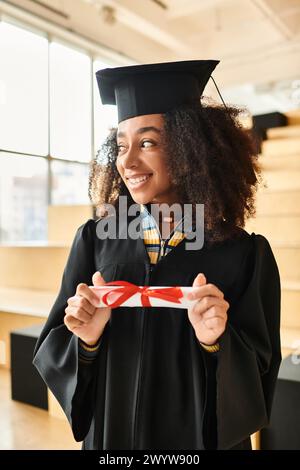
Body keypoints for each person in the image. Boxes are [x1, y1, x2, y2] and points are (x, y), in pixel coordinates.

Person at [33, 60, 281, 450]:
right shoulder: (96, 240)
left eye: (147, 142)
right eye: (121, 146)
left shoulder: (244, 253)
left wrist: (216, 342)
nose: (128, 162)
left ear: (190, 148)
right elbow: (54, 344)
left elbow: (260, 371)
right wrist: (87, 339)